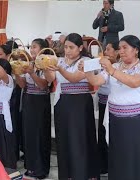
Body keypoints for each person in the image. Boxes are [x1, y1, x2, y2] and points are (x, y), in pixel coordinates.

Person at [81, 35, 140, 179]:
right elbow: (97, 80)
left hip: (135, 121)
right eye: (120, 48)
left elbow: (134, 82)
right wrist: (86, 71)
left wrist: (112, 71)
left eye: (125, 47)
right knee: (117, 155)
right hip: (115, 119)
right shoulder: (114, 66)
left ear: (136, 50)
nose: (122, 51)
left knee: (134, 156)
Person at [44, 33, 99, 179]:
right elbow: (50, 79)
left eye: (71, 47)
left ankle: (82, 173)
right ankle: (67, 174)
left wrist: (59, 69)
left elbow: (74, 79)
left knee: (79, 138)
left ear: (80, 48)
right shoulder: (60, 60)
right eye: (65, 47)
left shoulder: (87, 61)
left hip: (80, 103)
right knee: (64, 138)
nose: (67, 50)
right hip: (63, 103)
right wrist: (45, 67)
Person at [15, 38, 51, 179]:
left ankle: (41, 169)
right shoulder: (29, 63)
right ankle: (30, 167)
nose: (32, 50)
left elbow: (43, 85)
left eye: (35, 47)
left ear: (42, 49)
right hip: (28, 100)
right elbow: (23, 85)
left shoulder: (46, 64)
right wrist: (17, 72)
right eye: (31, 47)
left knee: (40, 135)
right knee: (29, 134)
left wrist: (31, 73)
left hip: (40, 102)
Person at [96, 41, 119, 174]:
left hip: (116, 105)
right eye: (105, 49)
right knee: (103, 133)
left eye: (109, 49)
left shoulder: (119, 67)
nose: (105, 52)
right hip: (103, 102)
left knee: (113, 135)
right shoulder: (102, 64)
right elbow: (95, 79)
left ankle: (114, 165)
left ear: (117, 52)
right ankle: (103, 165)